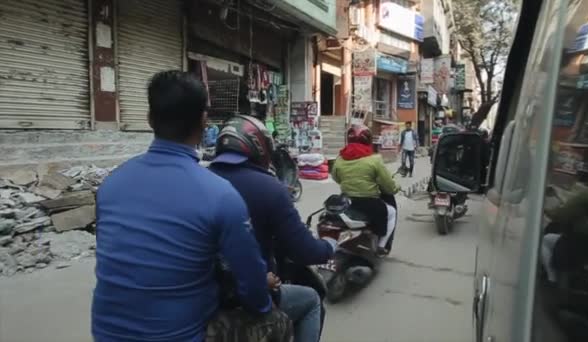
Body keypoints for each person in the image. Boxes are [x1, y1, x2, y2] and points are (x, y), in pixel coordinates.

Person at [92, 71, 280, 342]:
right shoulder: (220, 195)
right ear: (204, 121)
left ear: (149, 119)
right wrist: (265, 303)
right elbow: (251, 285)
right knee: (296, 307)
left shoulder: (111, 184)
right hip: (185, 334)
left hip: (106, 335)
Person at [209, 114, 337, 342]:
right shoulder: (268, 187)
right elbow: (303, 250)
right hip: (241, 298)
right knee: (311, 301)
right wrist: (328, 246)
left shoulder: (202, 178)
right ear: (259, 146)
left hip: (205, 297)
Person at [331, 125, 399, 255]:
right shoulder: (374, 160)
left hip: (347, 201)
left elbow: (336, 177)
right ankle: (382, 245)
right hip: (370, 203)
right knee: (391, 212)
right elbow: (388, 185)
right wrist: (396, 188)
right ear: (368, 141)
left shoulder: (340, 158)